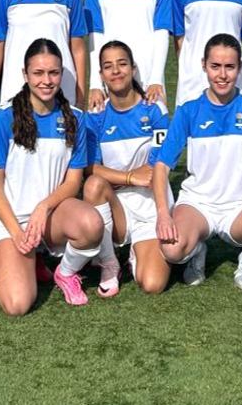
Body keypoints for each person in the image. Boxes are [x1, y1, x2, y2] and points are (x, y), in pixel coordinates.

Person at [153, 34, 242, 291]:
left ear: (240, 67)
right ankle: (197, 251)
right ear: (204, 65)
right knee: (171, 249)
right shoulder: (188, 108)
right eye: (215, 66)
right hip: (198, 203)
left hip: (241, 203)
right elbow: (161, 168)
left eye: (230, 67)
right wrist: (163, 214)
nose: (222, 75)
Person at [0, 39, 100, 314]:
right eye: (38, 73)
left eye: (54, 72)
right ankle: (2, 271)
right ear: (25, 75)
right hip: (10, 220)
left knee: (91, 224)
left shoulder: (74, 118)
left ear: (62, 73)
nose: (47, 81)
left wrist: (43, 207)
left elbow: (74, 182)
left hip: (50, 215)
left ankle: (65, 271)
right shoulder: (6, 117)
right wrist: (16, 233)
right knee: (17, 305)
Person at [81, 40, 172, 297]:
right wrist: (130, 177)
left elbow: (158, 166)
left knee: (152, 284)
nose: (116, 71)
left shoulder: (155, 111)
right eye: (108, 67)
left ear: (133, 68)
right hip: (115, 208)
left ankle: (140, 252)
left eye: (122, 64)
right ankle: (110, 264)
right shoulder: (95, 117)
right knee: (93, 186)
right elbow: (92, 169)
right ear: (101, 75)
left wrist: (119, 177)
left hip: (151, 208)